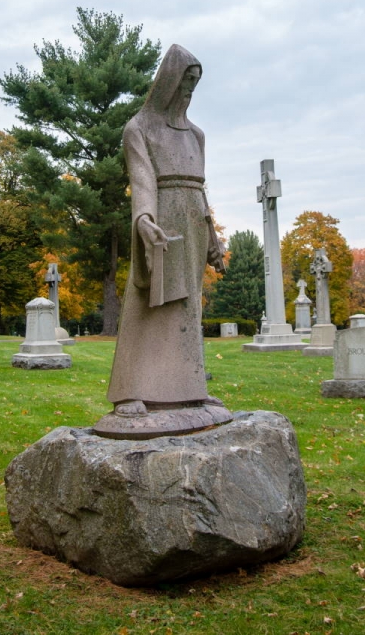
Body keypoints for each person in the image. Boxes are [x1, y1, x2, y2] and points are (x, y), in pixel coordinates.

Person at [95, 44, 231, 438]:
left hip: (192, 221)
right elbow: (142, 181)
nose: (189, 92)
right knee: (150, 302)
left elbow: (200, 191)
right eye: (185, 83)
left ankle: (190, 389)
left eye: (195, 85)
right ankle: (130, 391)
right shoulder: (140, 128)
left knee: (189, 308)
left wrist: (212, 240)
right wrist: (144, 219)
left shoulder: (197, 135)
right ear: (169, 82)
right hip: (161, 223)